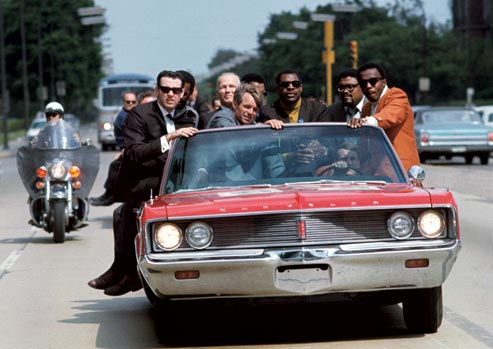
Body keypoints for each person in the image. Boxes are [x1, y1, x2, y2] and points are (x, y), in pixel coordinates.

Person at [87, 70, 198, 296]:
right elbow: (135, 152)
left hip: (184, 184)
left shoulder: (190, 116)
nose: (170, 94)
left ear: (182, 93)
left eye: (176, 90)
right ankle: (123, 270)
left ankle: (128, 274)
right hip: (148, 184)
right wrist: (168, 139)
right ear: (157, 90)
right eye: (165, 89)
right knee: (124, 213)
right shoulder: (139, 114)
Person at [349, 62, 420, 172]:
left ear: (384, 82)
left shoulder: (397, 95)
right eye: (363, 83)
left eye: (373, 81)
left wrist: (367, 121)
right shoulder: (367, 107)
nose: (368, 86)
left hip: (401, 173)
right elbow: (364, 145)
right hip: (377, 172)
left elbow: (391, 115)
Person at [90, 91, 137, 206]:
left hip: (133, 149)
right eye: (128, 102)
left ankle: (111, 195)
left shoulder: (132, 115)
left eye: (133, 102)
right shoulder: (124, 116)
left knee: (115, 166)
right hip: (129, 148)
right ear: (123, 102)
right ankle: (109, 194)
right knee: (116, 166)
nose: (130, 104)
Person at [258, 69, 331, 123]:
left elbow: (326, 137)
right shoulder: (266, 112)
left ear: (301, 88)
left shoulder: (318, 109)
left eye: (295, 84)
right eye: (285, 84)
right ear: (277, 89)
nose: (290, 87)